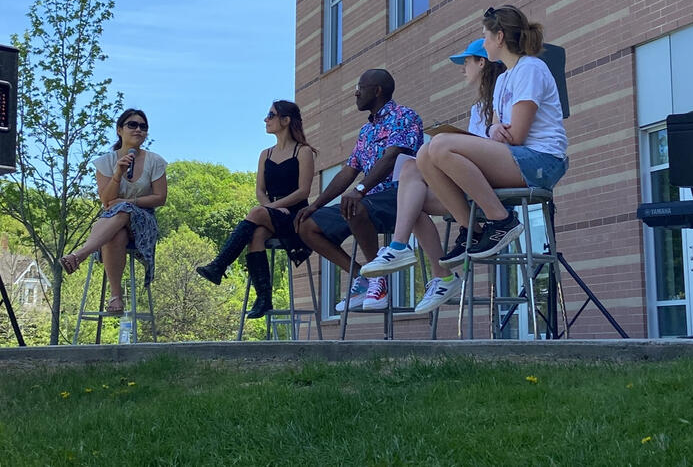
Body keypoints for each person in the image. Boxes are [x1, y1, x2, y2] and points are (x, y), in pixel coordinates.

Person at [358, 39, 504, 314]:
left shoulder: (505, 96)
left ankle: (405, 251)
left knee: (423, 160)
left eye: (466, 62)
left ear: (481, 62)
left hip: (491, 187)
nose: (463, 69)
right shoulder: (477, 109)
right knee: (412, 183)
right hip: (470, 185)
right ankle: (439, 274)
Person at [419, 5, 568, 266]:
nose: (484, 43)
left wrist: (496, 132)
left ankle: (502, 220)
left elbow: (517, 135)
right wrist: (491, 129)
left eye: (486, 36)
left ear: (499, 37)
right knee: (424, 155)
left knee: (441, 145)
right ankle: (472, 232)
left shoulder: (531, 68)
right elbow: (497, 133)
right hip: (516, 157)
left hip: (541, 161)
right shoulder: (503, 80)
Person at [295, 69, 423, 312]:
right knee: (307, 225)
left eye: (360, 87)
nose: (356, 92)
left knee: (355, 204)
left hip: (401, 196)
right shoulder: (366, 131)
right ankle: (363, 277)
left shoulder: (405, 116)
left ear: (377, 91)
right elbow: (349, 171)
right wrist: (315, 205)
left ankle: (378, 279)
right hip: (367, 201)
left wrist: (361, 190)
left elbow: (391, 157)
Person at [195, 100, 317, 318]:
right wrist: (271, 208)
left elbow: (303, 192)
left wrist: (274, 207)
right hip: (272, 214)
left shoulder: (303, 152)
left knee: (256, 213)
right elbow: (260, 191)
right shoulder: (266, 154)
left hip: (296, 216)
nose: (266, 119)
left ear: (286, 120)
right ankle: (263, 299)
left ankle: (219, 265)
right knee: (256, 234)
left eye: (271, 115)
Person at [59, 109, 168, 315]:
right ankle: (115, 297)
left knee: (124, 208)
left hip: (144, 223)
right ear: (120, 130)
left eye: (143, 127)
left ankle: (81, 254)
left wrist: (129, 201)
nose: (138, 130)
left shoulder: (155, 161)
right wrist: (117, 173)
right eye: (132, 125)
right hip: (114, 223)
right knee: (116, 233)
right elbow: (107, 201)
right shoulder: (106, 162)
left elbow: (160, 198)